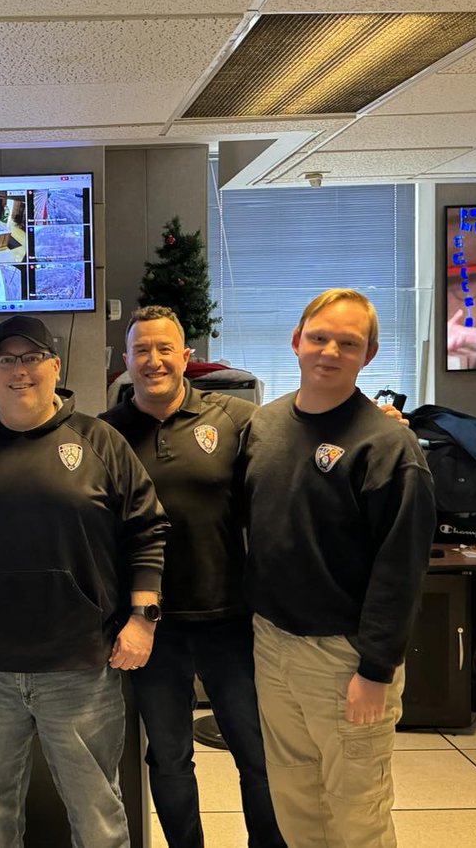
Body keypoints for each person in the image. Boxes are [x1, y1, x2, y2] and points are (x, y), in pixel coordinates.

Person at [0, 314, 168, 848]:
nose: (19, 371)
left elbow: (147, 531)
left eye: (31, 359)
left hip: (81, 669)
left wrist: (142, 619)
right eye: (7, 359)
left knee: (98, 817)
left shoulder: (100, 442)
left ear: (54, 365)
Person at [239, 289, 436, 848]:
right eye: (320, 336)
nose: (330, 350)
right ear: (296, 340)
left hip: (344, 657)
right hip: (273, 642)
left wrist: (376, 669)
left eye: (348, 343)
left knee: (356, 812)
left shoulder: (389, 446)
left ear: (368, 355)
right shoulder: (265, 427)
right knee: (295, 797)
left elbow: (401, 570)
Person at [100, 306, 285, 848]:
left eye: (164, 350)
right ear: (126, 362)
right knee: (170, 756)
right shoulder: (105, 434)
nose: (153, 361)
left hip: (229, 617)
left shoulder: (233, 418)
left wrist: (376, 417)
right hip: (148, 626)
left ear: (186, 357)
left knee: (256, 751)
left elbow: (298, 442)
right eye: (141, 351)